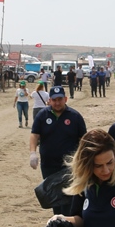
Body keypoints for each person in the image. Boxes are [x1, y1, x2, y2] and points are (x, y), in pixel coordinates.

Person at [29, 86, 87, 215]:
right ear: (49, 100)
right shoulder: (42, 115)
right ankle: (58, 223)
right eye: (54, 100)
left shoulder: (75, 116)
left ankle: (70, 226)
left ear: (65, 99)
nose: (57, 102)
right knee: (54, 197)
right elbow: (34, 135)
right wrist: (33, 153)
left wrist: (84, 159)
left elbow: (83, 139)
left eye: (60, 99)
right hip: (49, 165)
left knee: (69, 198)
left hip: (69, 166)